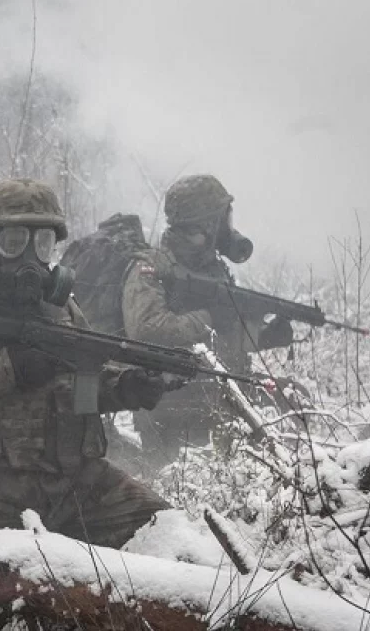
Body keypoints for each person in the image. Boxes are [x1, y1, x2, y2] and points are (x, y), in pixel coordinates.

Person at [0, 178, 171, 548]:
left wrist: (123, 388)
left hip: (75, 485)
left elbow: (79, 394)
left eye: (42, 244)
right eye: (15, 242)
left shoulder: (63, 310)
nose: (30, 257)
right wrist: (10, 369)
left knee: (166, 529)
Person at [122, 174, 294, 470]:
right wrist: (208, 318)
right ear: (206, 223)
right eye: (223, 217)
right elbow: (147, 328)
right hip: (170, 412)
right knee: (176, 504)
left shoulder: (215, 270)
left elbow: (223, 341)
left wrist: (264, 336)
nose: (229, 227)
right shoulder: (151, 266)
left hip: (221, 405)